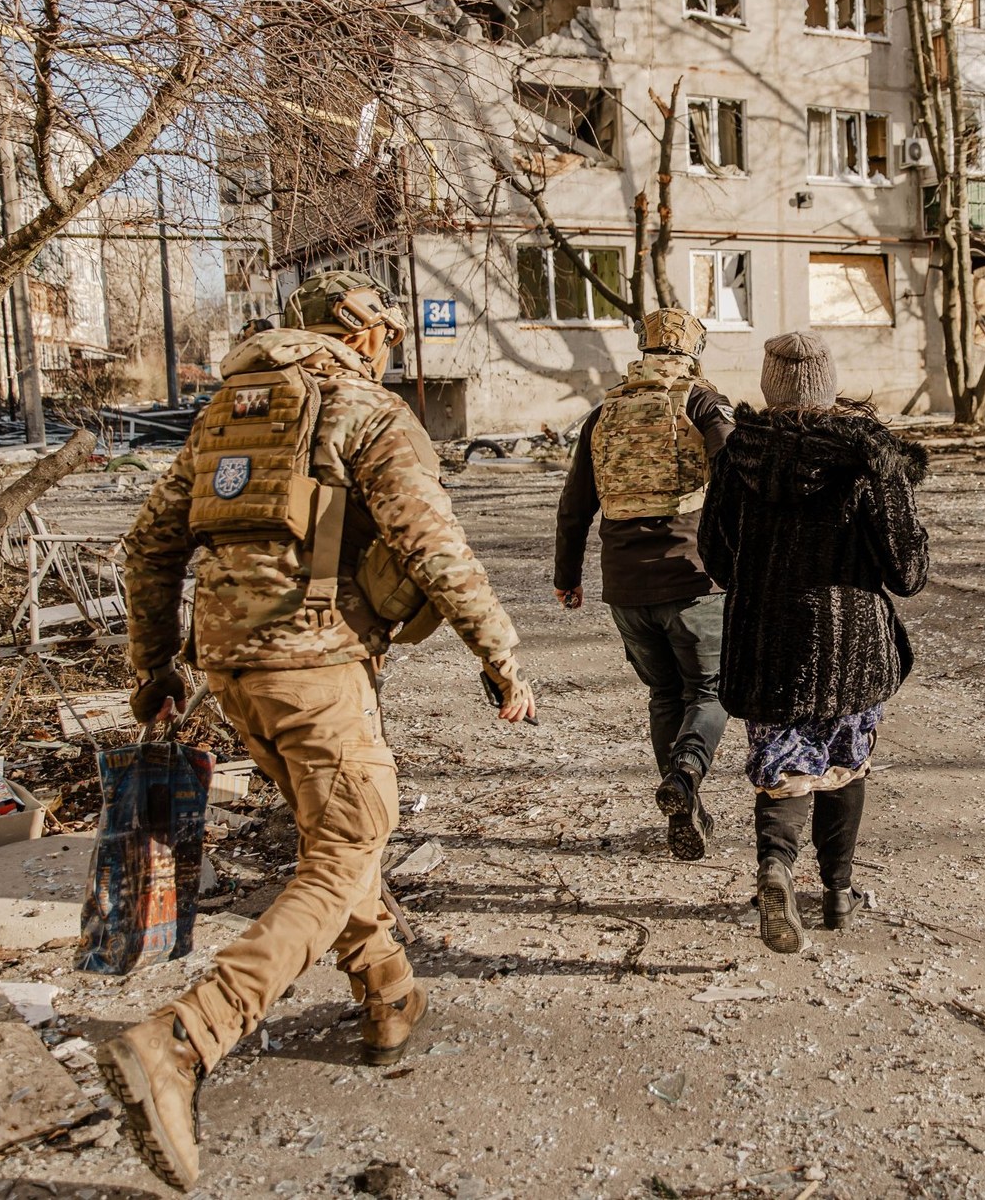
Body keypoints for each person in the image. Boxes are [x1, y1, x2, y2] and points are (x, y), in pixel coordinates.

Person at [103, 270, 536, 1191]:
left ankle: (388, 994)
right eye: (383, 330)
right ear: (357, 331)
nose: (387, 345)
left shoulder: (225, 413)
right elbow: (433, 542)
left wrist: (155, 670)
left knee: (334, 832)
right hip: (313, 662)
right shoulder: (359, 407)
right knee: (347, 842)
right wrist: (500, 654)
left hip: (230, 671)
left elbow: (147, 544)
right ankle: (186, 1038)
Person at [698, 331, 929, 953]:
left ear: (770, 387)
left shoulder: (737, 456)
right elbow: (907, 572)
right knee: (844, 766)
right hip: (849, 645)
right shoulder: (866, 461)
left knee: (783, 771)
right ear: (828, 385)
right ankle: (837, 895)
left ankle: (774, 869)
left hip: (764, 643)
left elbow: (715, 556)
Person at [554, 307, 735, 860]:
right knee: (711, 690)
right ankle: (685, 774)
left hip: (624, 585)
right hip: (692, 578)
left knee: (663, 693)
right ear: (694, 351)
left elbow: (574, 504)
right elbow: (737, 473)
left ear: (644, 348)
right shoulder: (702, 402)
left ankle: (686, 804)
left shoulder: (603, 413)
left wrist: (567, 577)